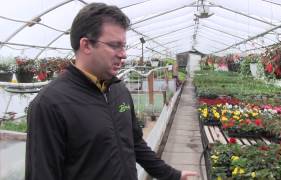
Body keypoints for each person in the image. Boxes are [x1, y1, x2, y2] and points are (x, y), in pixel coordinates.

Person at [25, 3, 198, 180]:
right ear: (86, 45)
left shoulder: (118, 89)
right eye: (115, 45)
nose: (123, 54)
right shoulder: (50, 104)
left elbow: (135, 142)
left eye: (124, 46)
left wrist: (171, 175)